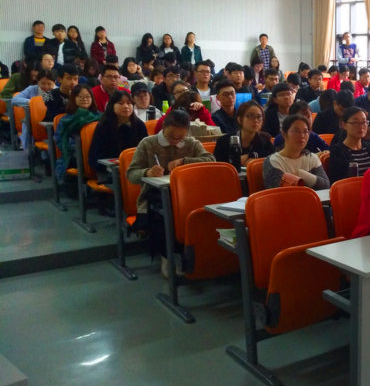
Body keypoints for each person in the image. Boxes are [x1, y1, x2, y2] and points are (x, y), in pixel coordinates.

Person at [126, 109, 215, 275]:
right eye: (171, 137)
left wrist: (184, 161)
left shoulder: (191, 143)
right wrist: (147, 172)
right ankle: (167, 256)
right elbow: (131, 174)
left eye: (180, 138)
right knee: (167, 214)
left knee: (196, 213)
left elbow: (211, 160)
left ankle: (191, 256)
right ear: (163, 128)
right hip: (154, 197)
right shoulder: (148, 143)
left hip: (187, 195)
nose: (175, 141)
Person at [88, 90, 148, 180]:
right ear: (112, 106)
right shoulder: (104, 126)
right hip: (108, 171)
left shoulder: (139, 125)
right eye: (121, 103)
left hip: (134, 169)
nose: (126, 106)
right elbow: (96, 156)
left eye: (129, 103)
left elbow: (145, 151)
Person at [262, 115, 330, 190]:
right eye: (297, 131)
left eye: (305, 131)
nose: (302, 136)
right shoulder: (273, 161)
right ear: (284, 134)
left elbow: (325, 185)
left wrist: (300, 173)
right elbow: (278, 191)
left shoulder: (311, 157)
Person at [54, 85, 100, 180]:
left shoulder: (99, 116)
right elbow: (59, 140)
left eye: (88, 96)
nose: (85, 99)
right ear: (73, 98)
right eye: (80, 96)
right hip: (75, 154)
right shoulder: (66, 120)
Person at [214, 100, 274, 166]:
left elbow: (271, 162)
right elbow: (219, 167)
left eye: (259, 116)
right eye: (250, 116)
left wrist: (251, 158)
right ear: (240, 120)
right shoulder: (224, 141)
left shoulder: (265, 139)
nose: (256, 120)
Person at [327, 107, 370, 183]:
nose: (361, 126)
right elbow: (338, 182)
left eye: (364, 122)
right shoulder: (337, 151)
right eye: (355, 122)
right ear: (344, 125)